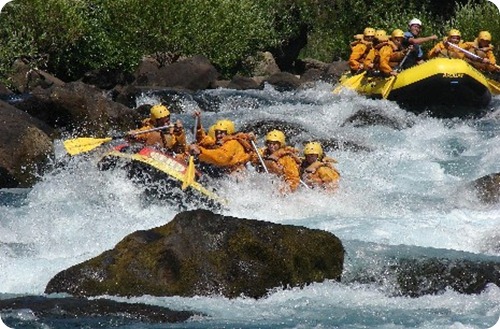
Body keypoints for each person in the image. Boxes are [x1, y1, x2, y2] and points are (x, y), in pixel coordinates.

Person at [188, 118, 255, 177]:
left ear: (229, 133)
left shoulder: (233, 143)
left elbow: (221, 157)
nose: (218, 135)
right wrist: (198, 124)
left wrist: (200, 151)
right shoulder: (220, 142)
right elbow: (203, 141)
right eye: (217, 132)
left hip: (235, 175)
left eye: (222, 133)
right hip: (224, 171)